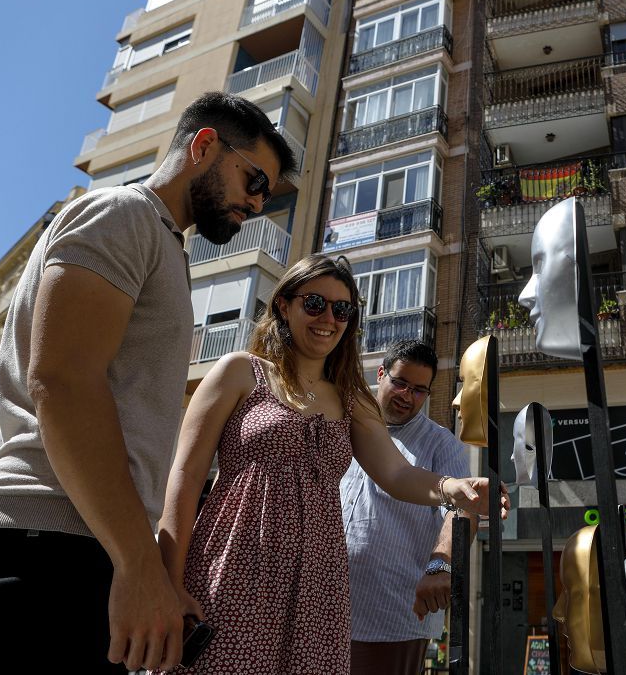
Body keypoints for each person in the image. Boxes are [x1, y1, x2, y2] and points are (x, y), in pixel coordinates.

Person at [0, 91, 294, 673]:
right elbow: (63, 382)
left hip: (90, 550)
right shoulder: (124, 214)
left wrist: (149, 573)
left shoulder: (165, 246)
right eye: (253, 180)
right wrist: (139, 567)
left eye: (266, 192)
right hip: (41, 546)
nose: (257, 202)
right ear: (203, 146)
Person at [155, 257, 506, 674]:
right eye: (316, 303)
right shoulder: (239, 371)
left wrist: (454, 487)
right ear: (284, 305)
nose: (329, 318)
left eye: (342, 310)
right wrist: (168, 583)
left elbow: (396, 474)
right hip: (235, 565)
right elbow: (186, 476)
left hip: (319, 584)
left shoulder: (351, 399)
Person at [342, 339, 476, 675]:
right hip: (319, 605)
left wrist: (441, 566)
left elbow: (462, 509)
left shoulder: (440, 443)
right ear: (380, 373)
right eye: (400, 382)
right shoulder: (343, 426)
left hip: (393, 614)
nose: (406, 395)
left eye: (418, 390)